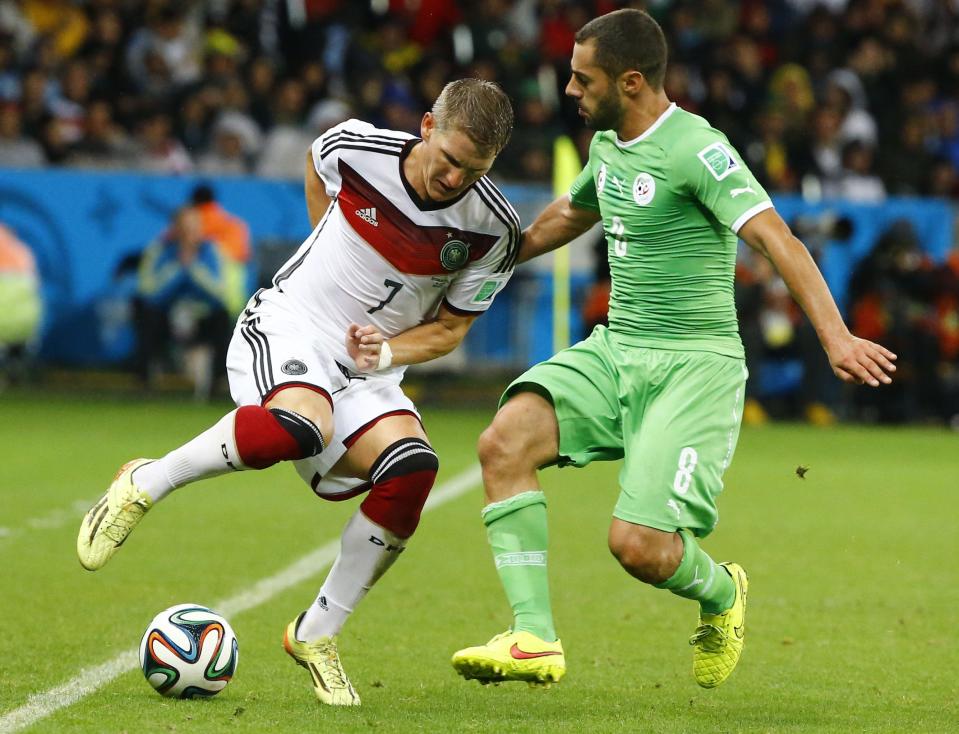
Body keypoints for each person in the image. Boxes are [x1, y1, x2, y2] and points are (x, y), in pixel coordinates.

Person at [451, 9, 896, 691]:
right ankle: (534, 636)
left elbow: (778, 238)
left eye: (582, 78)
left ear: (631, 82)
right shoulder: (606, 147)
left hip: (694, 367)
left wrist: (834, 337)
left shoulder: (696, 148)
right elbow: (568, 214)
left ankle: (721, 592)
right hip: (617, 350)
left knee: (638, 548)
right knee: (502, 444)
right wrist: (476, 266)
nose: (568, 90)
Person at [77, 79, 517, 706]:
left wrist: (388, 352)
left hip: (370, 366)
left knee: (413, 470)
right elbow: (318, 160)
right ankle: (147, 480)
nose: (453, 179)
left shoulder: (493, 227)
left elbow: (449, 329)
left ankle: (317, 634)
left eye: (472, 171)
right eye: (448, 160)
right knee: (300, 425)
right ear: (426, 127)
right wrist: (324, 241)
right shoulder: (360, 150)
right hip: (294, 324)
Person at [133, 206, 233, 400]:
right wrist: (178, 268)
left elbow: (220, 293)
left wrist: (194, 269)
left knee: (222, 318)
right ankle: (144, 383)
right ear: (176, 229)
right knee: (144, 314)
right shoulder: (159, 251)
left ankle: (218, 384)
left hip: (200, 316)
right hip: (167, 316)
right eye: (185, 228)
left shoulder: (211, 251)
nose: (190, 233)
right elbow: (148, 292)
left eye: (194, 227)